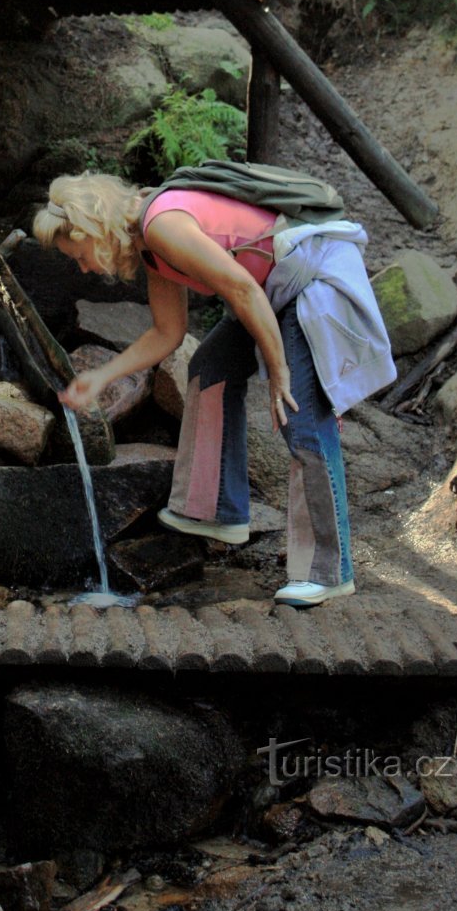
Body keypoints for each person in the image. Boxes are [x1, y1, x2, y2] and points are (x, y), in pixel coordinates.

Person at [32, 170, 396, 609]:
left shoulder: (162, 224)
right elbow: (168, 332)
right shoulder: (150, 245)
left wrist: (279, 369)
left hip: (310, 275)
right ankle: (217, 510)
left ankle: (327, 573)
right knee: (211, 367)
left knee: (299, 416)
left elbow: (240, 287)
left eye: (80, 254)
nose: (84, 266)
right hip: (270, 289)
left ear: (94, 230)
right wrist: (101, 377)